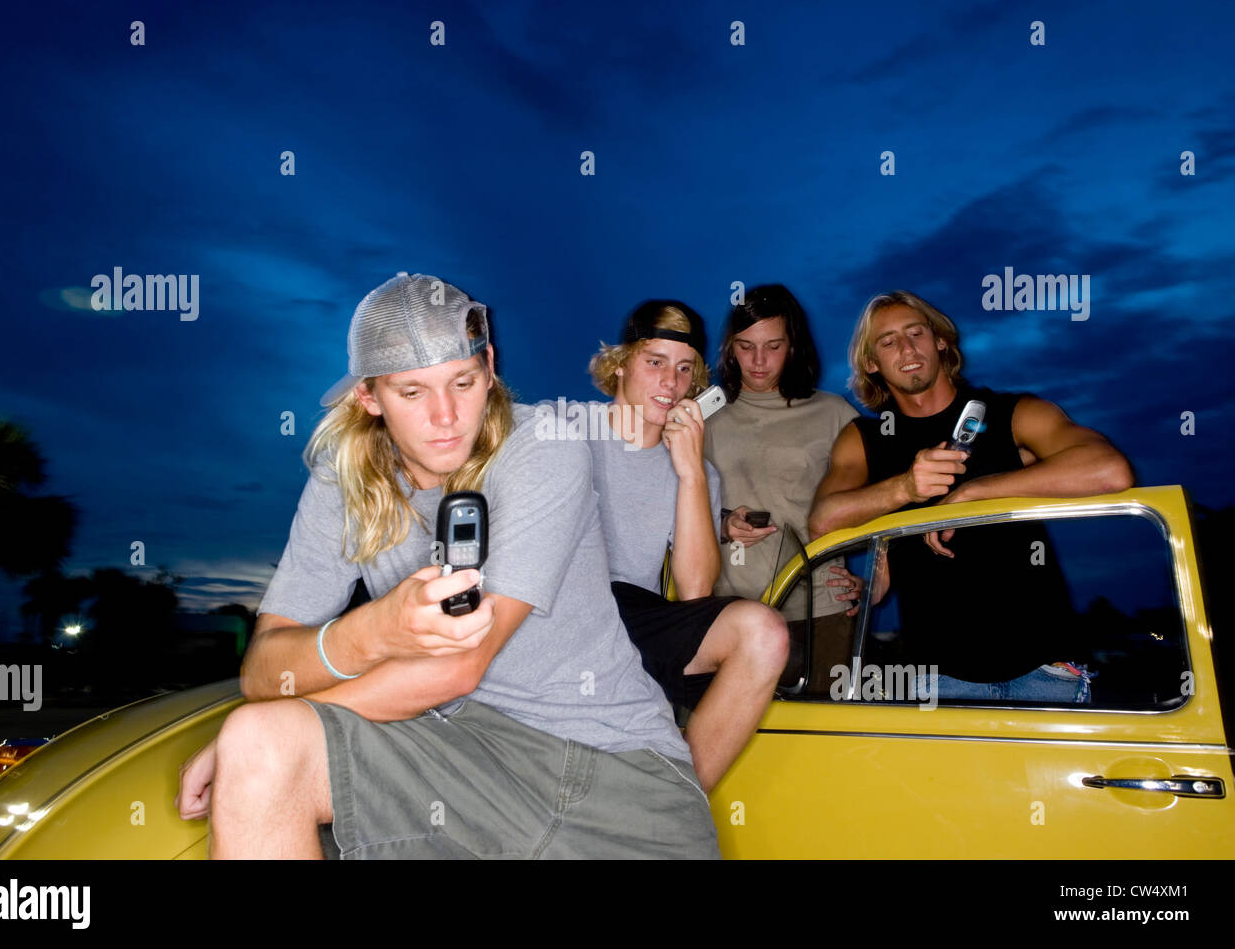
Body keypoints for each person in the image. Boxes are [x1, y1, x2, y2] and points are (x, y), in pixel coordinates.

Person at [176, 272, 720, 858]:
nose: (445, 417)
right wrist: (374, 630)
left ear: (489, 366)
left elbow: (457, 668)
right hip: (452, 756)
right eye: (412, 393)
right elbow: (266, 668)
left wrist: (269, 729)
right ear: (368, 396)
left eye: (463, 382)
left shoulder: (545, 446)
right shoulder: (345, 474)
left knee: (256, 739)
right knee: (260, 744)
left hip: (606, 772)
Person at [808, 290, 1135, 701]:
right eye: (888, 341)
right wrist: (906, 487)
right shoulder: (866, 440)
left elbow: (1110, 470)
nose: (907, 348)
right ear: (872, 363)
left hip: (1045, 670)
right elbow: (823, 520)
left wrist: (972, 493)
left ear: (940, 340)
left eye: (916, 333)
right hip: (937, 676)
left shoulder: (1011, 414)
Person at [583, 300, 789, 792]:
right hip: (562, 605)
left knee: (763, 634)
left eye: (683, 369)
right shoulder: (566, 429)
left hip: (632, 613)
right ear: (620, 365)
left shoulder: (696, 470)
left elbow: (696, 592)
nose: (670, 383)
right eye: (655, 363)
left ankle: (677, 802)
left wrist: (691, 472)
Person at [703, 284, 861, 693]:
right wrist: (722, 524)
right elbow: (667, 505)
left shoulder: (835, 414)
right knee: (737, 746)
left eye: (773, 346)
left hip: (821, 608)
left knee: (819, 741)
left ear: (793, 347)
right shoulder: (703, 416)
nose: (758, 361)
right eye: (745, 346)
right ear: (729, 348)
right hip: (729, 609)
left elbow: (876, 504)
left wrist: (878, 572)